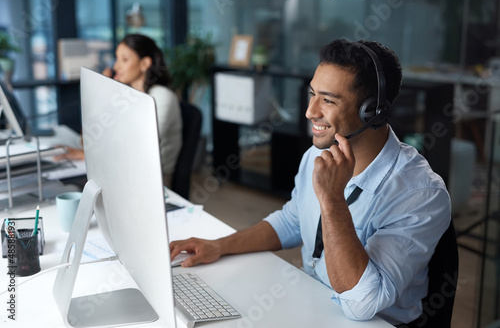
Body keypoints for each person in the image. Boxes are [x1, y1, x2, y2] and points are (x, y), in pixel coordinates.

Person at [169, 39, 451, 326]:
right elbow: (293, 221)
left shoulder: (420, 192)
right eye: (312, 94)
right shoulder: (317, 155)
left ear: (372, 111)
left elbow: (362, 303)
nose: (310, 111)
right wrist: (220, 246)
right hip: (312, 302)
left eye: (328, 100)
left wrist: (332, 199)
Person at [57, 34, 182, 186]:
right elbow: (87, 142)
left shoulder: (162, 97)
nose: (116, 66)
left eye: (124, 59)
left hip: (153, 183)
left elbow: (139, 151)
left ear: (145, 63)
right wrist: (100, 96)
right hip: (123, 174)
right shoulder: (126, 98)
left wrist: (86, 155)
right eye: (116, 59)